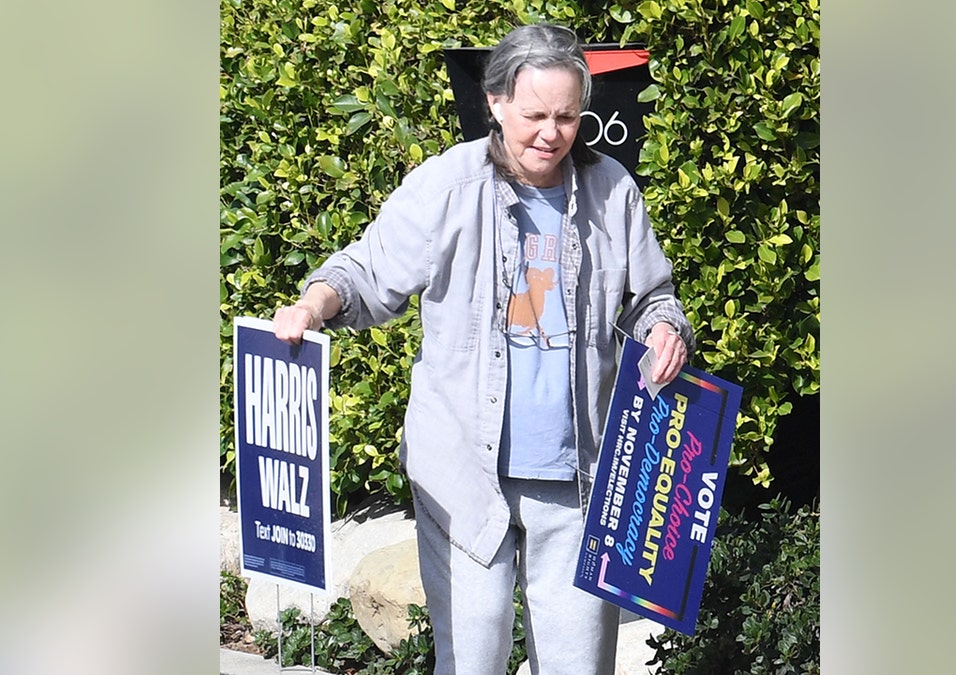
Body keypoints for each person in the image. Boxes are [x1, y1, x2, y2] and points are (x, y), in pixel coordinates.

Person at [272, 23, 695, 675]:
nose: (551, 134)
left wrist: (665, 327)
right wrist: (310, 306)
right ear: (496, 102)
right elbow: (363, 272)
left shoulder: (613, 190)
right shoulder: (446, 185)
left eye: (566, 116)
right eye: (534, 116)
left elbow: (651, 296)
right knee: (473, 658)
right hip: (464, 477)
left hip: (580, 478)